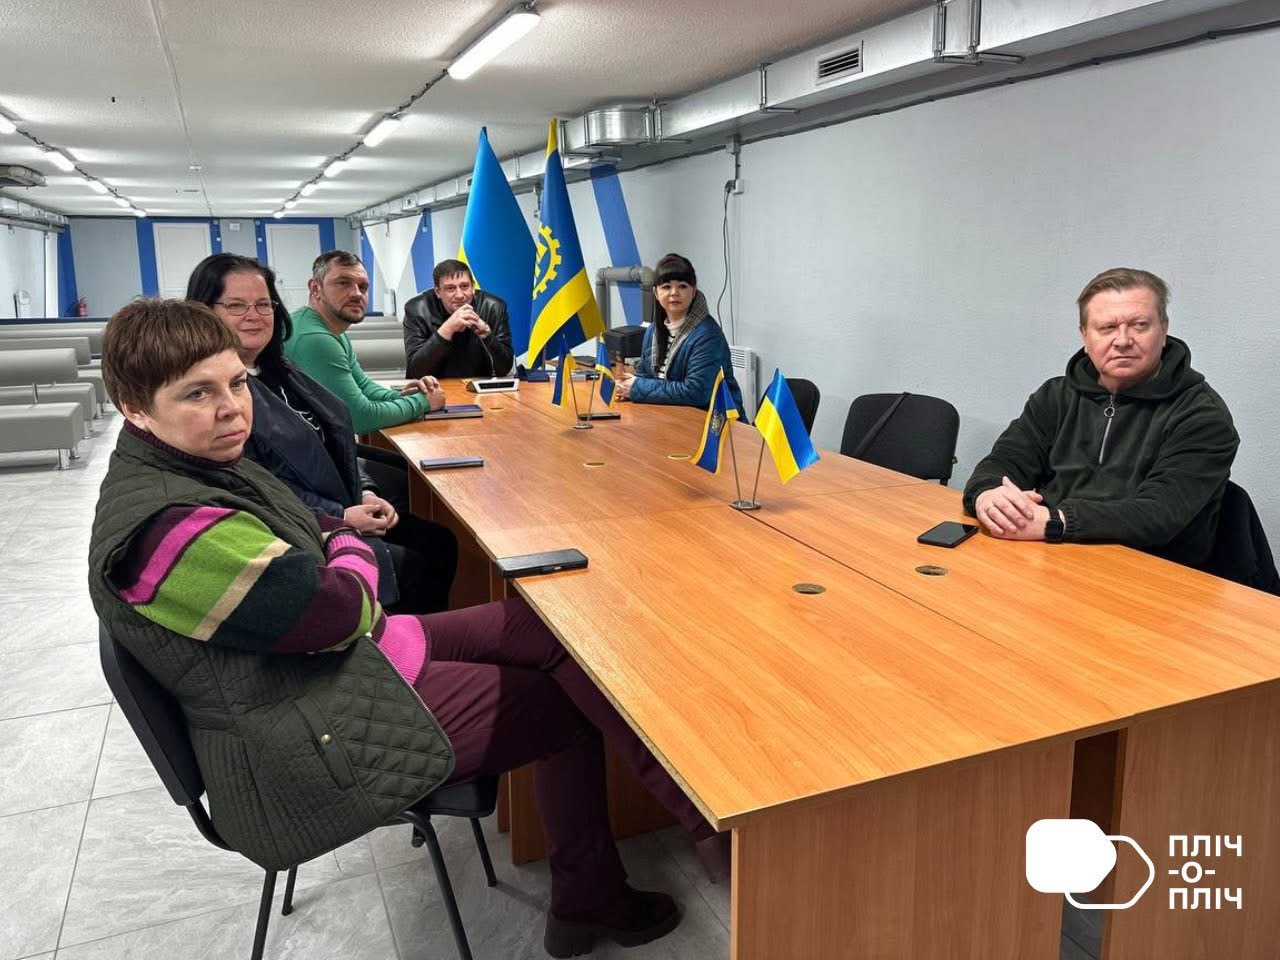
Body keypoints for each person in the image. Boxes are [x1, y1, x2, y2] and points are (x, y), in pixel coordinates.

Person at [88, 299, 731, 956]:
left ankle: (700, 818)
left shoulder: (196, 463)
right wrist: (347, 549)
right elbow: (342, 609)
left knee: (547, 630)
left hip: (332, 670)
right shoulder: (170, 532)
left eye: (236, 382)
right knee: (564, 705)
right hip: (307, 732)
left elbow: (314, 535)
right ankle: (589, 902)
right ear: (135, 409)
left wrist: (335, 545)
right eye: (198, 393)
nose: (231, 408)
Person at [186, 253, 456, 614]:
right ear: (204, 311)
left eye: (263, 304)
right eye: (236, 305)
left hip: (342, 503)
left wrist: (366, 490)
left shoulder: (278, 367)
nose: (254, 315)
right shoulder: (220, 397)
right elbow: (257, 486)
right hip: (301, 528)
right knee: (416, 563)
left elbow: (334, 437)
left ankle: (426, 637)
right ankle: (394, 641)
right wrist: (341, 516)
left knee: (440, 541)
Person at [962, 267, 1238, 567]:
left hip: (1148, 573)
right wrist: (989, 495)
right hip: (1050, 558)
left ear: (1164, 330)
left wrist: (1055, 521)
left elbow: (1158, 515)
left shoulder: (1202, 414)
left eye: (1139, 325)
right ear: (1085, 335)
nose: (1123, 340)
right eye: (1107, 327)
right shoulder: (1055, 396)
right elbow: (1003, 462)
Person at [285, 250, 445, 434]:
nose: (356, 293)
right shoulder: (315, 338)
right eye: (343, 283)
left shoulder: (333, 331)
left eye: (363, 287)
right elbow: (360, 418)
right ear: (315, 288)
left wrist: (404, 395)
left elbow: (364, 387)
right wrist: (423, 402)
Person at [616, 253, 744, 413]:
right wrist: (627, 387)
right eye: (666, 287)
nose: (674, 292)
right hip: (667, 416)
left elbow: (696, 392)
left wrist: (637, 388)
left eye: (682, 286)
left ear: (694, 291)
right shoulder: (652, 331)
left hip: (712, 422)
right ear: (656, 293)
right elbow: (643, 375)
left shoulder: (708, 335)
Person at [403, 258, 514, 379]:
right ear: (438, 292)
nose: (460, 295)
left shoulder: (494, 307)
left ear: (473, 287)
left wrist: (486, 335)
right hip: (433, 386)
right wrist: (447, 328)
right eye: (450, 288)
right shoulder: (417, 309)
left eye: (465, 286)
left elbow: (504, 369)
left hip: (478, 386)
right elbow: (416, 372)